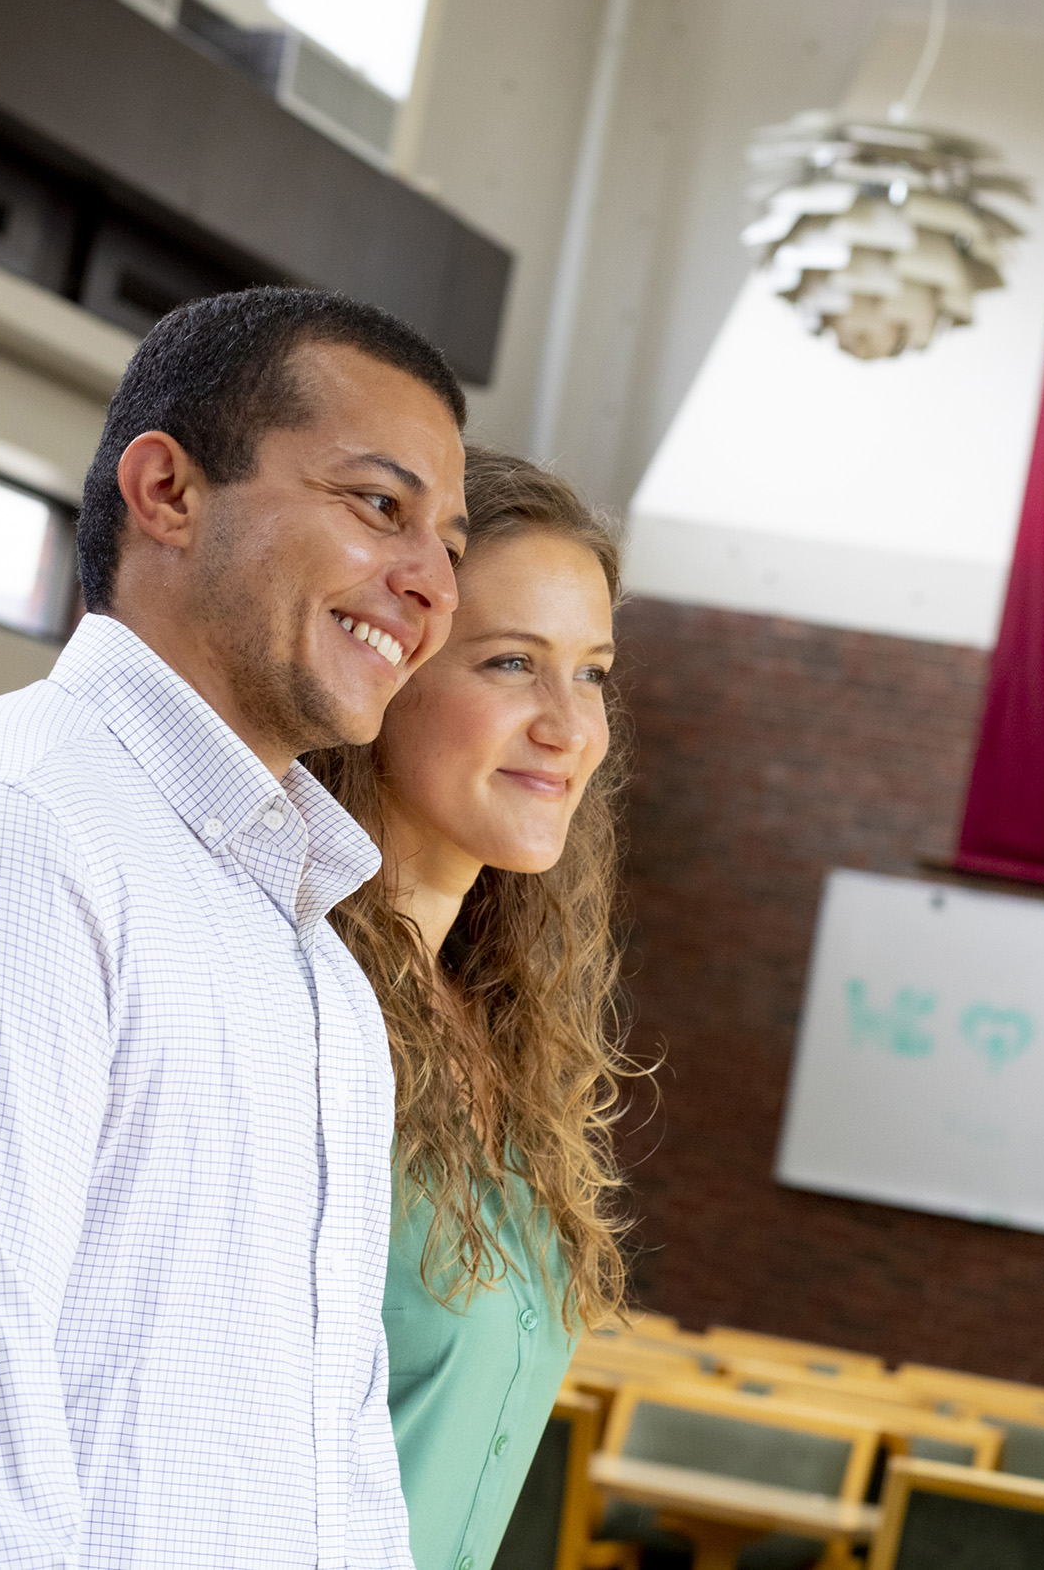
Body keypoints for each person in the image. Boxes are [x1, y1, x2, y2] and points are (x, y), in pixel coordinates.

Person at [0, 288, 471, 1569]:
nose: (430, 585)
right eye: (377, 505)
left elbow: (335, 1460)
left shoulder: (314, 953)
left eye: (449, 540)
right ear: (167, 490)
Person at [306, 448, 639, 1570]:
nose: (569, 725)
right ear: (386, 669)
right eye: (511, 662)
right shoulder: (295, 1004)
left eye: (590, 671)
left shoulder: (492, 1032)